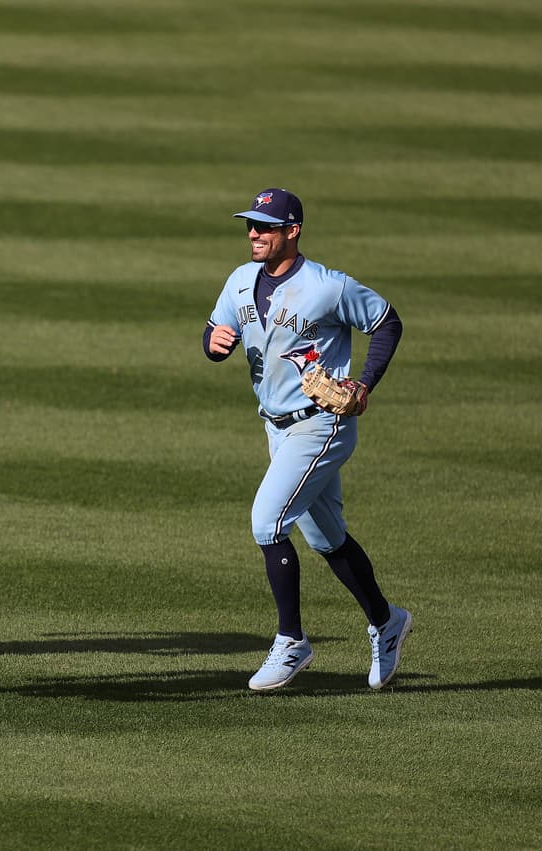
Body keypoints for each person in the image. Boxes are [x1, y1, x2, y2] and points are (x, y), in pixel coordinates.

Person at [203, 188, 412, 691]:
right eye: (251, 225)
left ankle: (291, 641)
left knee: (267, 521)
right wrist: (212, 344)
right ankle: (387, 621)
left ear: (291, 231)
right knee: (326, 536)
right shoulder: (239, 281)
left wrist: (362, 383)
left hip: (322, 423)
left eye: (265, 226)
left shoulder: (327, 286)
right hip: (275, 424)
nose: (254, 233)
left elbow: (386, 322)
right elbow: (214, 334)